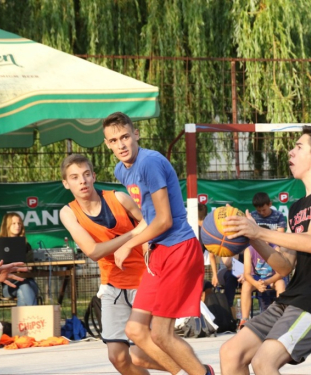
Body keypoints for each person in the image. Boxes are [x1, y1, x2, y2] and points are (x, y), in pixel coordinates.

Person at [220, 126, 311, 374]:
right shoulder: (296, 208)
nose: (290, 152)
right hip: (296, 295)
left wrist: (258, 231)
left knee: (264, 362)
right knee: (231, 353)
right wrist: (252, 236)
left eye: (298, 147)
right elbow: (284, 265)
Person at [102, 112, 213, 375]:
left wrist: (129, 244)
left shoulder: (149, 162)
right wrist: (138, 240)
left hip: (179, 249)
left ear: (136, 134)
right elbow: (148, 217)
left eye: (125, 137)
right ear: (107, 144)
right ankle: (199, 371)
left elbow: (164, 221)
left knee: (162, 334)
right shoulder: (122, 169)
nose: (121, 145)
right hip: (159, 251)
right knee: (135, 333)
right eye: (114, 140)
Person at [59, 154, 161, 375]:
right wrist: (131, 235)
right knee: (118, 357)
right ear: (66, 184)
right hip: (113, 286)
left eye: (86, 174)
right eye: (75, 177)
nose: (82, 181)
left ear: (94, 176)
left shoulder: (119, 198)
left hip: (143, 281)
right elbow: (94, 252)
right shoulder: (68, 213)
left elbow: (149, 222)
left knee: (140, 354)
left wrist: (141, 245)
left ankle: (193, 370)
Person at [239, 225, 286, 330]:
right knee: (246, 285)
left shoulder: (276, 249)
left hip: (272, 278)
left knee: (281, 284)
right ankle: (244, 319)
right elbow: (247, 274)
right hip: (257, 279)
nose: (265, 241)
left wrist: (266, 282)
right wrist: (256, 284)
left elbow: (281, 272)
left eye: (267, 238)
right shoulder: (249, 250)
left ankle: (281, 317)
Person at [1, 213, 39, 306]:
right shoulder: (0, 244)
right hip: (9, 285)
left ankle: (23, 320)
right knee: (24, 287)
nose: (17, 226)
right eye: (13, 223)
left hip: (29, 281)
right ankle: (37, 317)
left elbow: (32, 266)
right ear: (7, 225)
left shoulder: (26, 245)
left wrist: (29, 267)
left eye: (19, 223)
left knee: (23, 289)